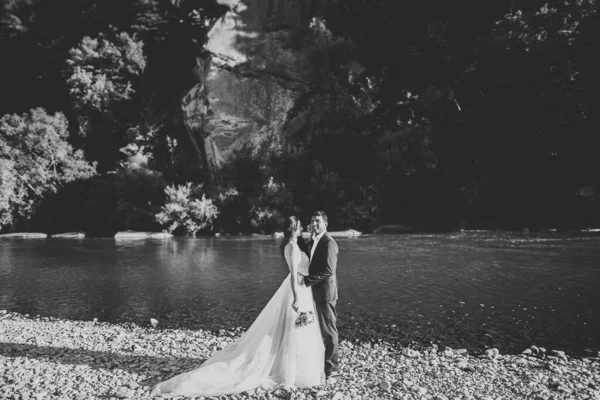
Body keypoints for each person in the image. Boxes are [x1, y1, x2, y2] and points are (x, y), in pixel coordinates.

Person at [151, 216, 324, 397]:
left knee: (296, 329)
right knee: (292, 329)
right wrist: (296, 298)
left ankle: (297, 367)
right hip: (297, 289)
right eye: (300, 225)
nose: (303, 226)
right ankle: (289, 370)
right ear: (294, 227)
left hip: (303, 288)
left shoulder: (297, 244)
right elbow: (293, 275)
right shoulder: (293, 247)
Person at [299, 210, 339, 379]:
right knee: (322, 329)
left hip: (325, 292)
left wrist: (307, 280)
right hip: (317, 291)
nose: (314, 224)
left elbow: (329, 270)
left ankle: (332, 370)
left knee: (329, 331)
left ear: (325, 224)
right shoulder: (315, 240)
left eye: (318, 221)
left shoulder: (329, 242)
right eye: (312, 221)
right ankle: (323, 365)